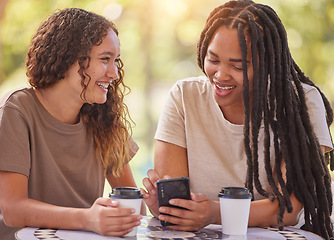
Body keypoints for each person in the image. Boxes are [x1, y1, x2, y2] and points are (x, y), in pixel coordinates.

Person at [142, 0, 334, 239]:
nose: (221, 75)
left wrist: (215, 213)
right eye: (213, 60)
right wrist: (164, 207)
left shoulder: (301, 104)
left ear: (267, 65)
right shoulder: (184, 97)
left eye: (238, 66)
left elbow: (289, 210)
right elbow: (176, 201)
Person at [0, 8, 143, 240]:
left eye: (116, 61)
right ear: (69, 57)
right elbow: (13, 209)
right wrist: (88, 219)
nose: (114, 73)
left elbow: (134, 205)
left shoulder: (104, 119)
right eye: (105, 59)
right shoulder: (17, 109)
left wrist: (148, 201)